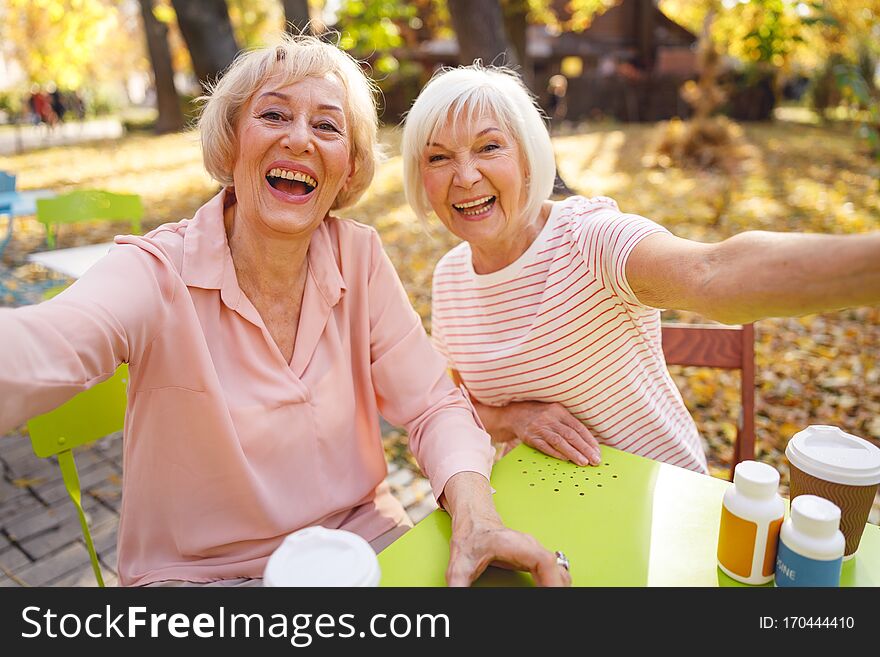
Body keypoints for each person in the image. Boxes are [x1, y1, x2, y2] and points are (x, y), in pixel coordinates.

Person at [0, 36, 571, 587]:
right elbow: (44, 347)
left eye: (327, 126)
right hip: (202, 582)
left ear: (348, 168)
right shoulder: (154, 271)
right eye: (273, 116)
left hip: (362, 550)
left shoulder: (359, 257)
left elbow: (432, 406)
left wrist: (476, 517)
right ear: (231, 142)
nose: (300, 140)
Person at [400, 64, 880, 474]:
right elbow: (456, 407)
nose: (464, 177)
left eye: (488, 148)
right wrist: (514, 419)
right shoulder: (450, 278)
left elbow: (711, 273)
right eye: (439, 157)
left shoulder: (589, 238)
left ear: (528, 159)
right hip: (538, 500)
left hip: (660, 497)